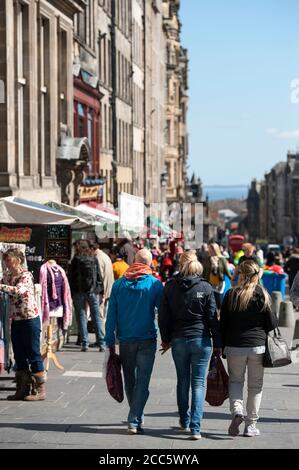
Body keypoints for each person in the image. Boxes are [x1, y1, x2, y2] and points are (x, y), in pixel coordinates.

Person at [158, 251, 222, 440]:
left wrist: (166, 339)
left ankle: (184, 420)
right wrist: (218, 343)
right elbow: (212, 317)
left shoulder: (170, 287)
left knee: (182, 381)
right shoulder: (205, 287)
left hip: (178, 340)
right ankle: (196, 427)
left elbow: (163, 316)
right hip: (201, 340)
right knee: (198, 383)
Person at [104, 248, 164, 434]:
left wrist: (109, 338)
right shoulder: (155, 284)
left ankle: (135, 415)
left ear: (134, 261)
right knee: (143, 381)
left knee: (130, 378)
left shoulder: (119, 285)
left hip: (126, 338)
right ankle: (135, 417)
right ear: (150, 263)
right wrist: (168, 336)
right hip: (147, 337)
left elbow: (111, 314)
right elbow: (162, 313)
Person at [220, 260, 278, 437]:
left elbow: (223, 324)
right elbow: (272, 323)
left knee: (236, 381)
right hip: (257, 347)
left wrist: (221, 346)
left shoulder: (231, 294)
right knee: (256, 385)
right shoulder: (262, 294)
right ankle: (251, 425)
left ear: (241, 274)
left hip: (234, 346)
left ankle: (237, 411)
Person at [0, 248, 47, 401]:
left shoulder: (26, 275)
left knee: (33, 353)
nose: (7, 264)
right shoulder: (7, 277)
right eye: (5, 261)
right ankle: (22, 388)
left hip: (29, 319)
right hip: (16, 320)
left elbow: (20, 291)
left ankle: (39, 390)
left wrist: (1, 287)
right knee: (19, 354)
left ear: (18, 260)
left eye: (9, 261)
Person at [69, 240, 105, 352]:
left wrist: (72, 291)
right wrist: (100, 290)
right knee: (96, 317)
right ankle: (101, 343)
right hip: (92, 291)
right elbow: (99, 275)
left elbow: (71, 277)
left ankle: (85, 343)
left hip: (78, 292)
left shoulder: (76, 259)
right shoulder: (93, 258)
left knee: (81, 316)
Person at [202, 243, 232, 309]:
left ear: (215, 250)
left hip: (219, 282)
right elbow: (204, 271)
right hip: (209, 282)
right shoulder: (207, 259)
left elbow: (226, 271)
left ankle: (219, 314)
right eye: (209, 249)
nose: (209, 251)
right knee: (209, 297)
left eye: (211, 250)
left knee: (218, 298)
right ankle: (211, 314)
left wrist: (232, 280)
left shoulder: (222, 259)